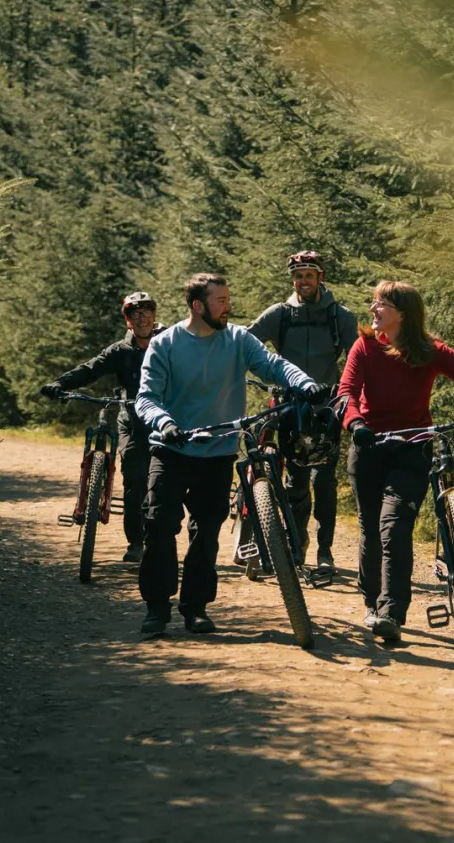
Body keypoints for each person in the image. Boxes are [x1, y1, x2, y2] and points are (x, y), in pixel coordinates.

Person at [135, 273, 327, 637]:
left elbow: (274, 365)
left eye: (228, 299)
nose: (229, 306)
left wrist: (305, 383)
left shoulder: (238, 340)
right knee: (160, 528)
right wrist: (164, 423)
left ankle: (196, 608)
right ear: (197, 305)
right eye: (220, 300)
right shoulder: (165, 344)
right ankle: (157, 608)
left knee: (206, 533)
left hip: (218, 452)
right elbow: (146, 398)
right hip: (172, 450)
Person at [337, 280, 454, 642]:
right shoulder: (364, 347)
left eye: (381, 304)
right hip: (369, 446)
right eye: (374, 302)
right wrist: (355, 422)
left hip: (413, 449)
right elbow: (346, 392)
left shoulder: (429, 351)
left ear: (402, 315)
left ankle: (391, 613)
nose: (373, 309)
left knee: (393, 526)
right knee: (370, 529)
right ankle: (371, 604)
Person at [246, 250, 357, 570]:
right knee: (295, 482)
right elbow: (246, 344)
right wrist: (268, 376)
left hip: (327, 408)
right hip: (289, 407)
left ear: (320, 277)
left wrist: (347, 393)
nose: (302, 281)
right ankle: (298, 545)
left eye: (309, 275)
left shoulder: (340, 316)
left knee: (324, 482)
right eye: (298, 276)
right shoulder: (280, 313)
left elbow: (356, 358)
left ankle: (325, 550)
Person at [41, 291, 164, 563]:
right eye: (135, 313)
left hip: (166, 423)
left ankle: (162, 540)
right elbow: (90, 369)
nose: (142, 317)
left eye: (147, 311)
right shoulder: (119, 351)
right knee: (134, 479)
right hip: (131, 421)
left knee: (165, 483)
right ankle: (136, 542)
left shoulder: (170, 342)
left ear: (154, 316)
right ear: (128, 321)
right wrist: (60, 384)